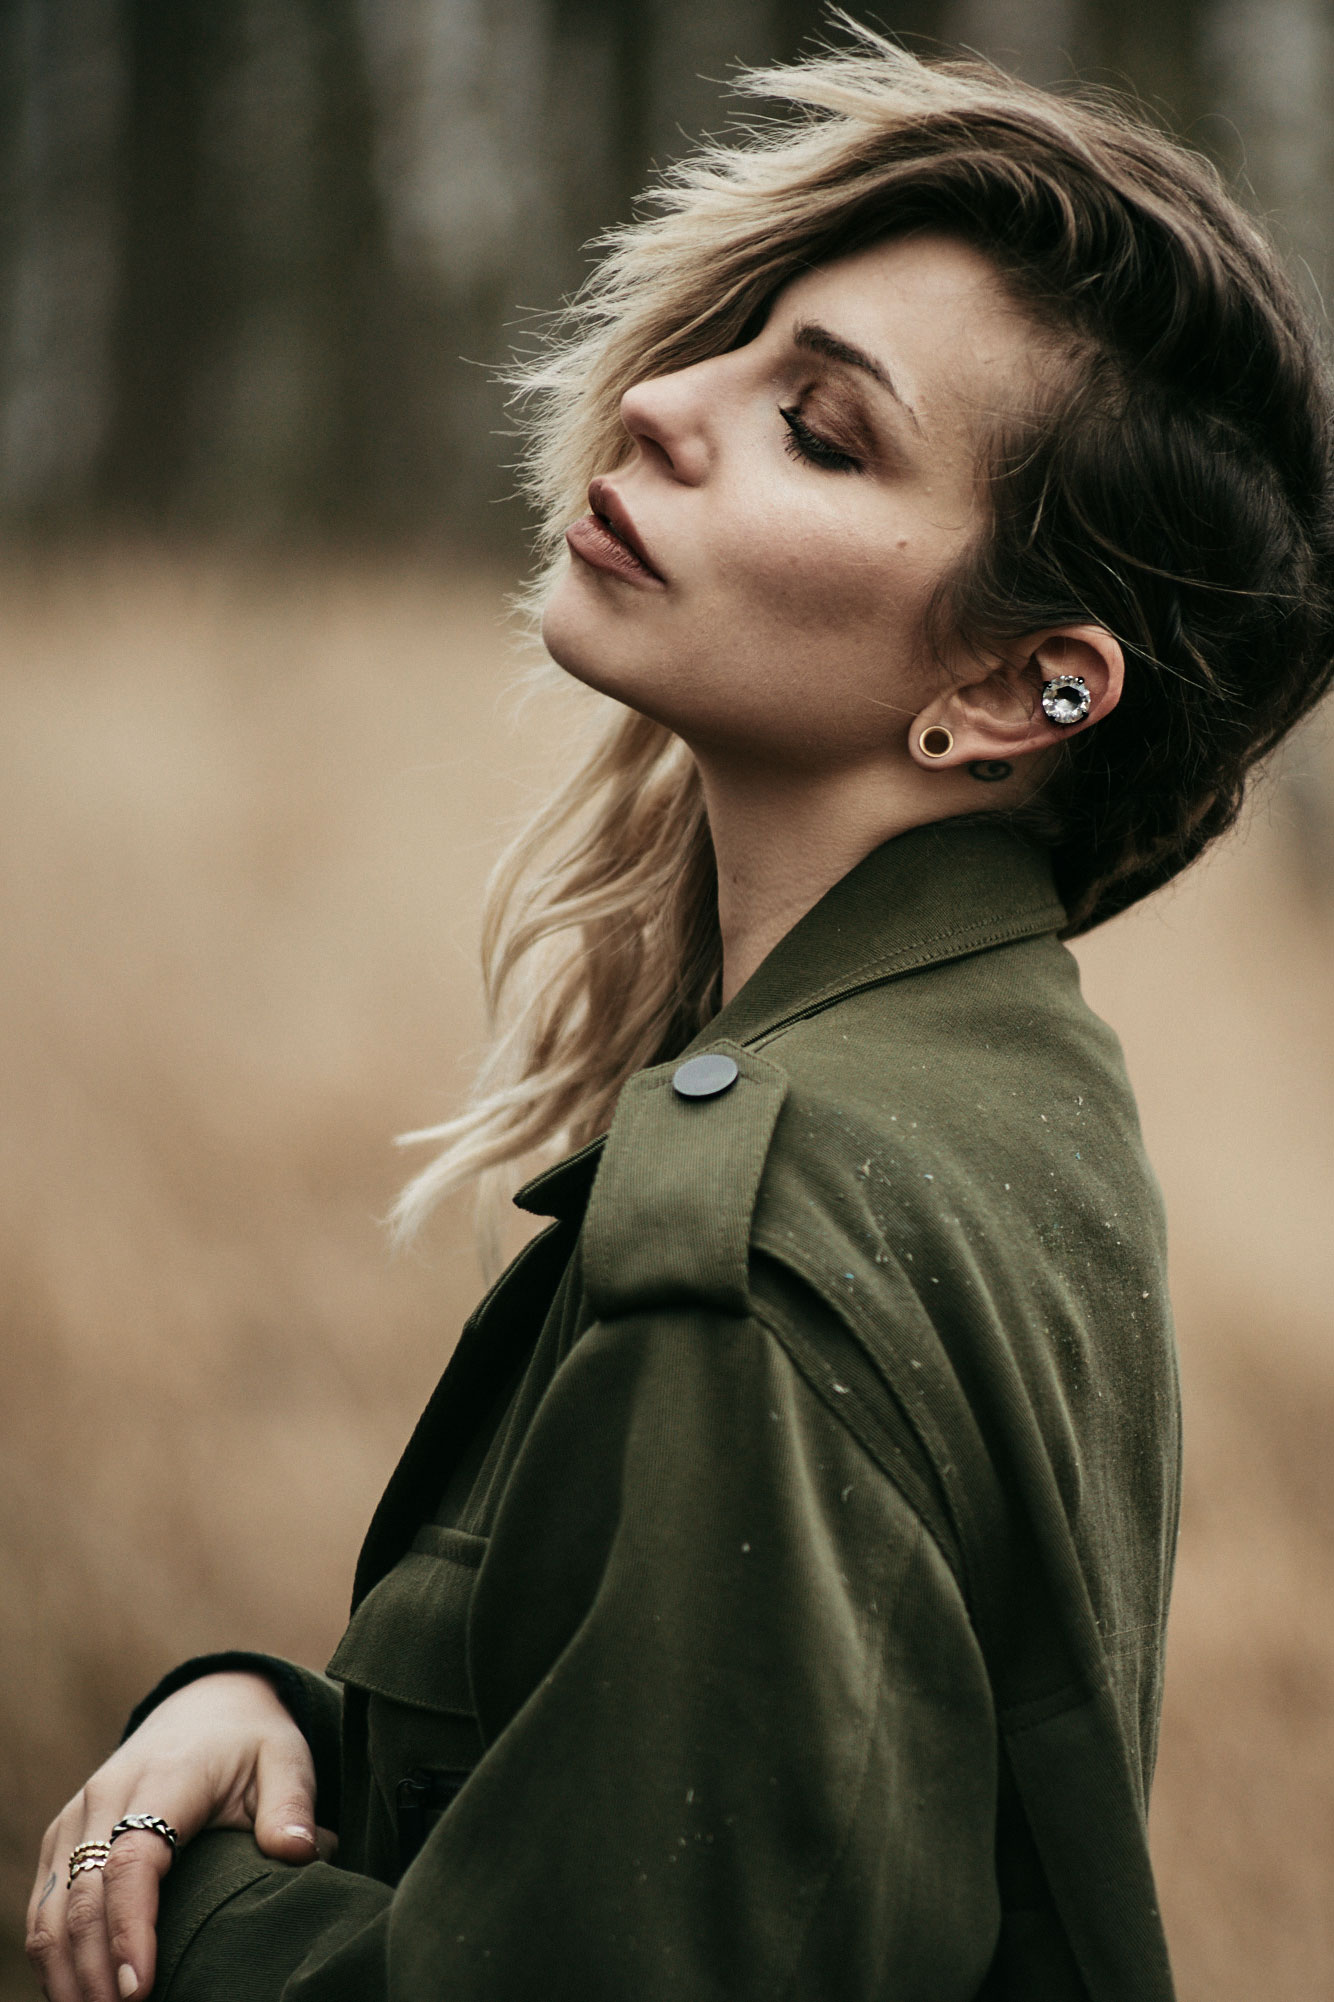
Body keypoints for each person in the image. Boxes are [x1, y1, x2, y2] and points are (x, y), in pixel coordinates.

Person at [27, 26, 1334, 2002]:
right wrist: (275, 1708)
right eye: (731, 347)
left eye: (823, 430)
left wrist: (196, 1881)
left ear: (1017, 691)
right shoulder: (1004, 1095)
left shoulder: (767, 1235)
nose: (649, 404)